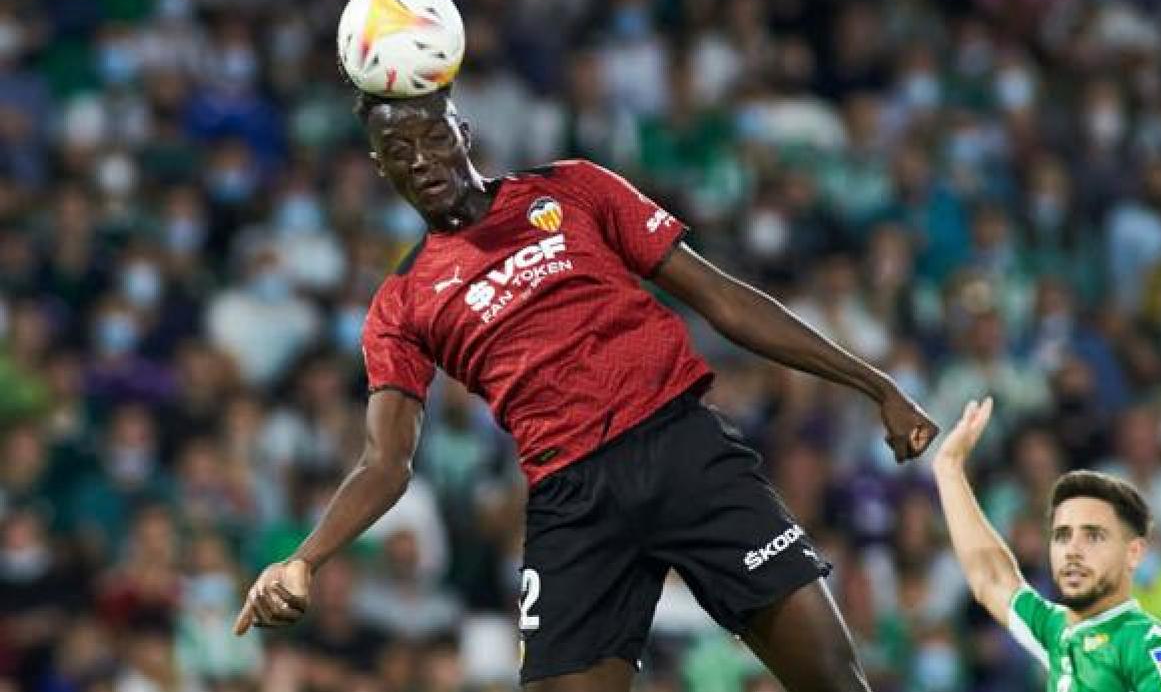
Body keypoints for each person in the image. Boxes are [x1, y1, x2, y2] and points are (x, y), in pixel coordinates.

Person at [232, 85, 938, 692]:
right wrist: (304, 559)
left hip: (683, 451)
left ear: (462, 131)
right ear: (379, 169)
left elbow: (722, 299)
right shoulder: (401, 303)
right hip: (573, 504)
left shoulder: (571, 188)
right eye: (398, 150)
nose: (420, 159)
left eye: (430, 134)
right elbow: (384, 463)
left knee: (836, 682)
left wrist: (875, 385)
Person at [931, 398, 1161, 692]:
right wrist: (949, 471)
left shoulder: (1147, 643)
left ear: (1133, 553)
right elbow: (992, 579)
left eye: (1094, 536)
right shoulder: (1058, 631)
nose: (1073, 550)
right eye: (1062, 535)